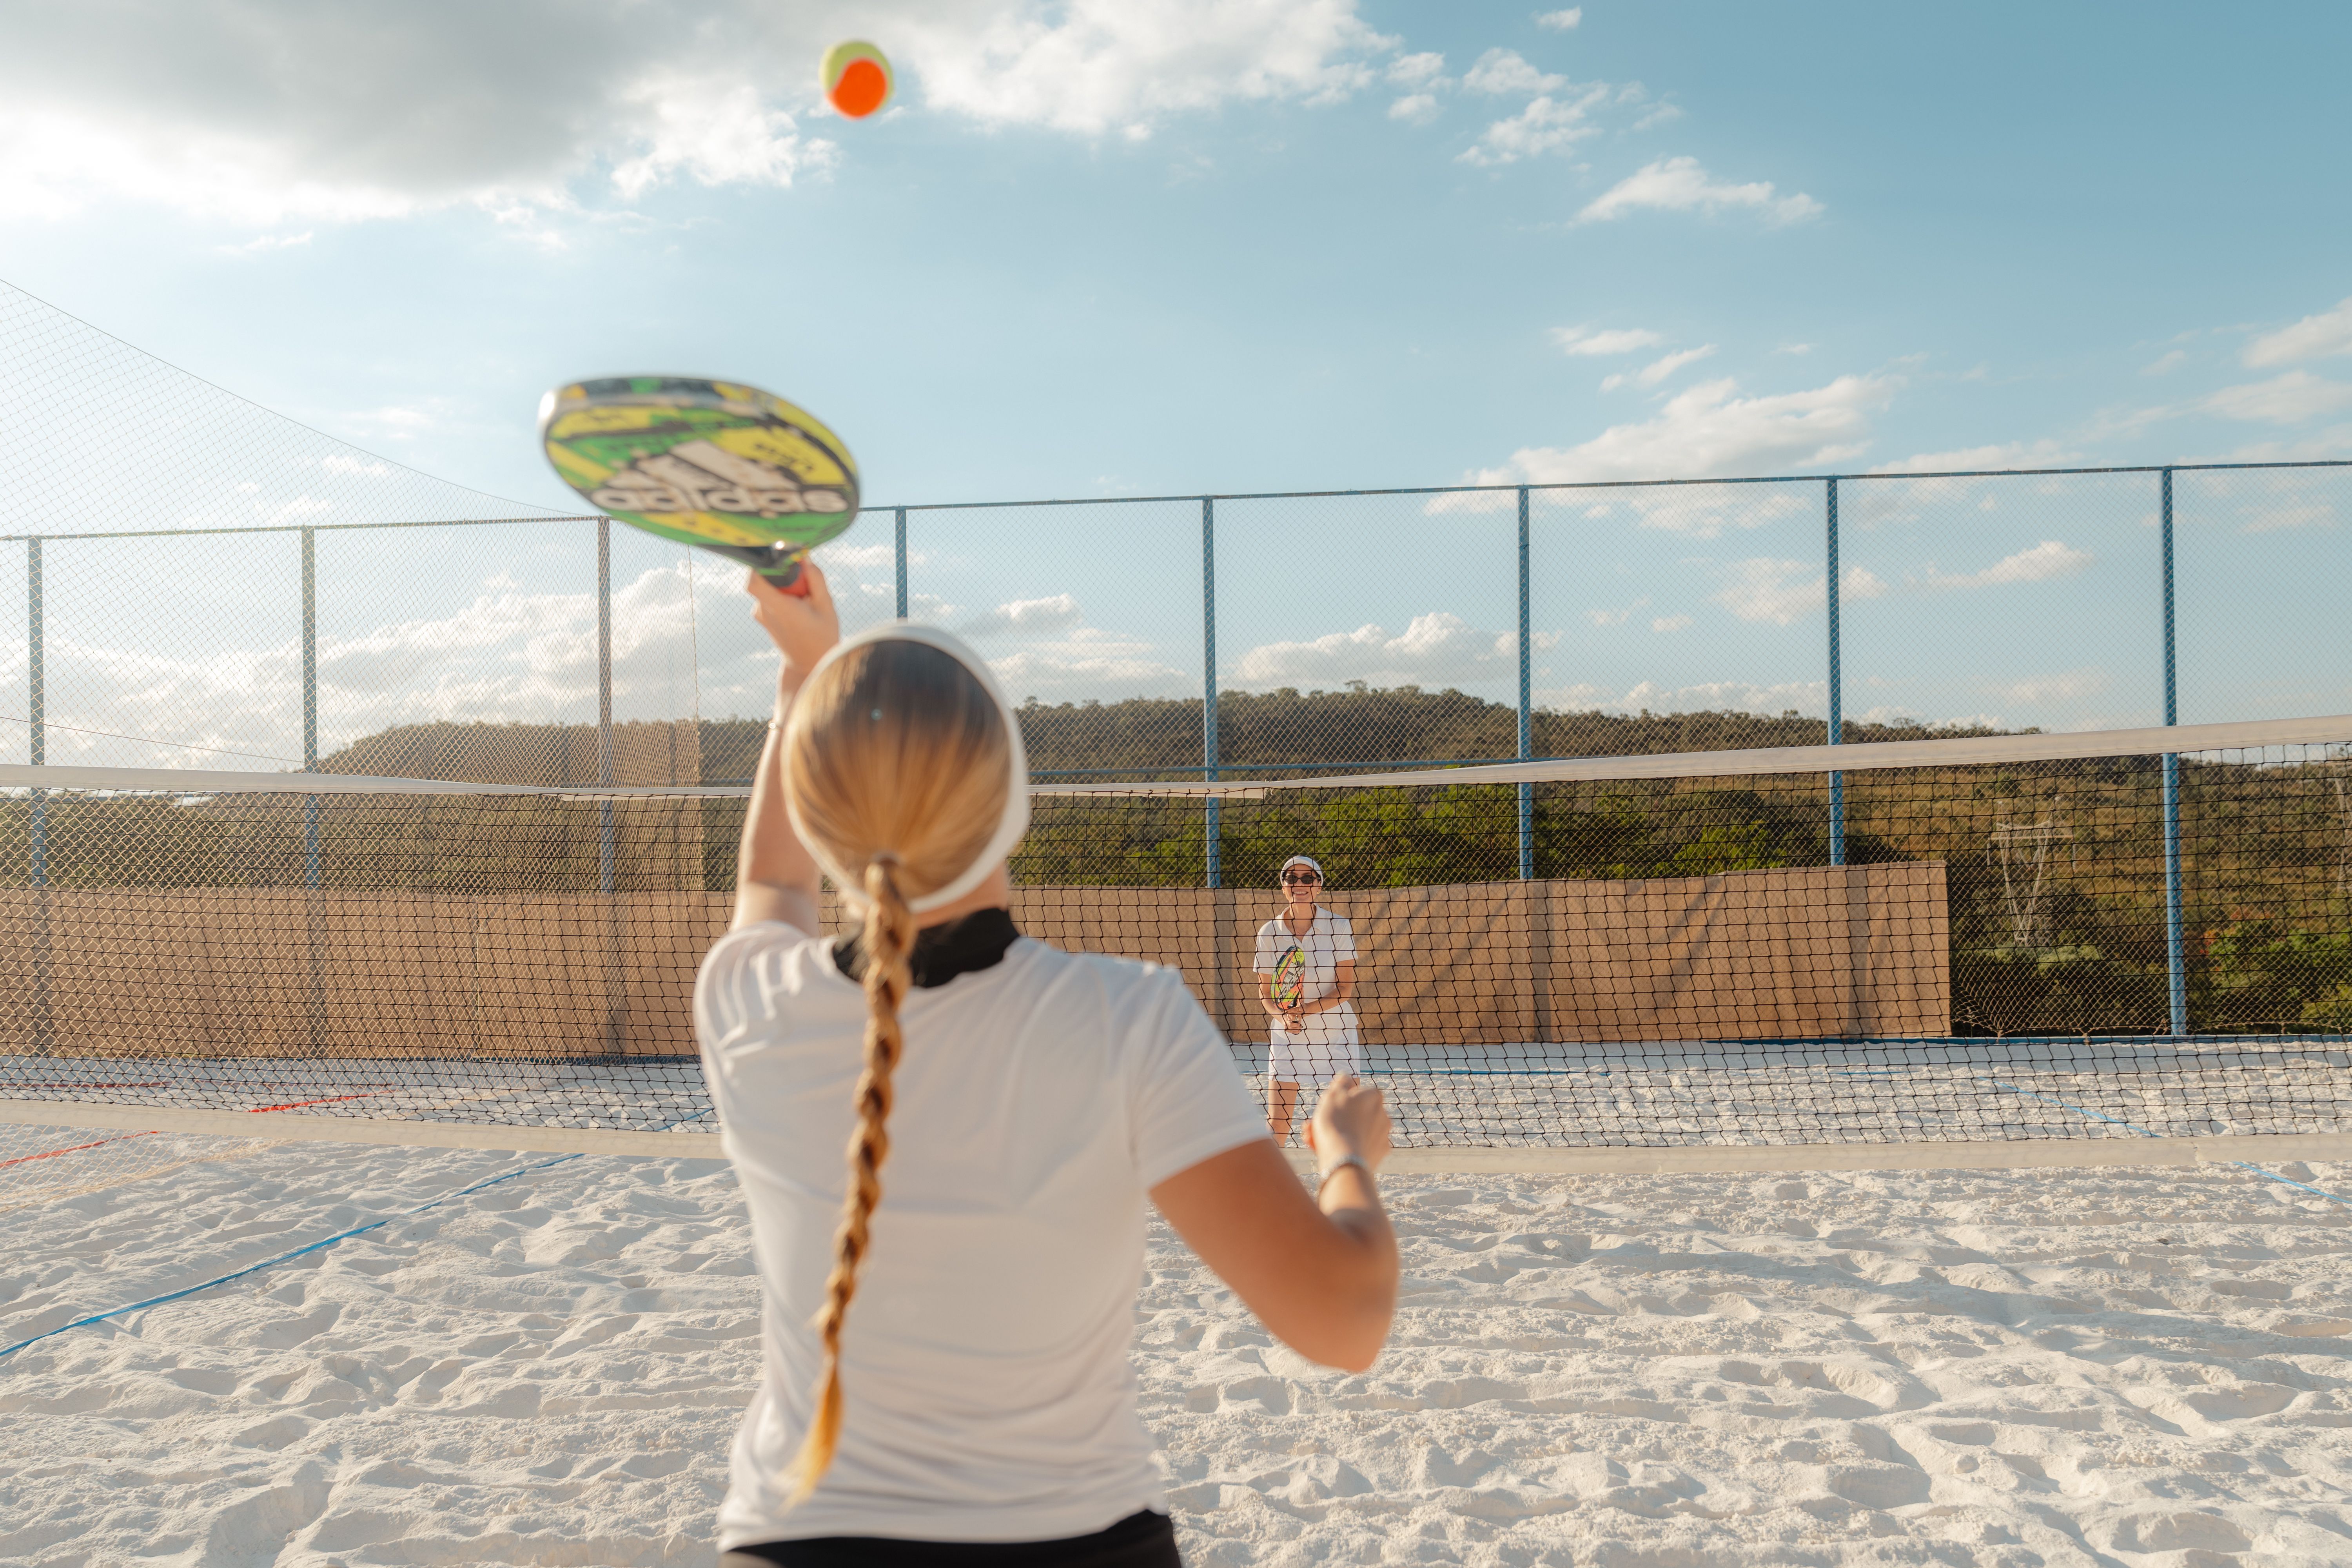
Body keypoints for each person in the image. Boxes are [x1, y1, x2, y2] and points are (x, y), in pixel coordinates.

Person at [693, 564, 1399, 1566]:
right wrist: (1347, 1157)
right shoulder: (1128, 1019)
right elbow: (1345, 1321)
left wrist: (804, 679)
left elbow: (770, 878)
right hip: (1075, 1542)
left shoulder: (747, 1000)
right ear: (1012, 801)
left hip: (792, 1540)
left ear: (820, 818)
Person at [1252, 855, 1361, 1145]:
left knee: (1349, 1121)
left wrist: (1304, 1011)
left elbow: (1345, 989)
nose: (1299, 884)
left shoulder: (1339, 926)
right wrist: (1283, 1017)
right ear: (1283, 885)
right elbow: (1265, 994)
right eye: (1291, 878)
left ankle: (1349, 1182)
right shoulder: (1269, 932)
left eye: (1308, 878)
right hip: (1289, 1035)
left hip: (1335, 1031)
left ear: (1319, 885)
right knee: (1277, 1124)